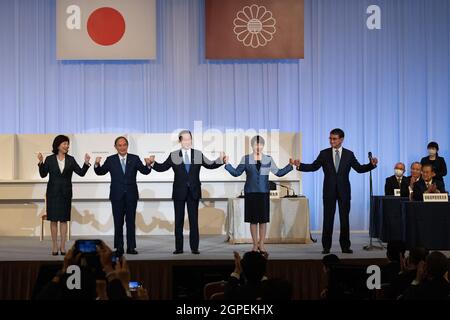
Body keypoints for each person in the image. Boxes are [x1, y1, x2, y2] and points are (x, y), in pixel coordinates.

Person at [296, 129, 378, 254]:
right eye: (330, 138)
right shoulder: (324, 154)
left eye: (334, 139)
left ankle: (345, 246)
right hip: (328, 191)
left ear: (341, 139)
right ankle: (326, 247)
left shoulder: (349, 154)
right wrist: (299, 165)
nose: (331, 141)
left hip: (344, 192)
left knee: (345, 220)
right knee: (327, 219)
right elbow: (313, 167)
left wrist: (371, 165)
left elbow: (359, 169)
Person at [149, 130, 225, 255]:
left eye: (189, 139)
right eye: (184, 139)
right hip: (179, 192)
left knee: (193, 221)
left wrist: (220, 160)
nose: (187, 142)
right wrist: (153, 163)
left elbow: (210, 165)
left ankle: (194, 248)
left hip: (193, 192)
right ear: (180, 141)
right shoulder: (174, 155)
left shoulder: (197, 154)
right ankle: (179, 248)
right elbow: (162, 167)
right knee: (178, 221)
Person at [224, 135, 294, 253]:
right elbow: (236, 173)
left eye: (260, 144)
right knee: (253, 220)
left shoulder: (268, 159)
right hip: (251, 192)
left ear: (263, 145)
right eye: (256, 144)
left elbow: (279, 173)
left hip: (263, 192)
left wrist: (290, 166)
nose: (258, 146)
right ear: (252, 146)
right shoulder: (246, 159)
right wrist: (227, 164)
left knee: (262, 220)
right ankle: (254, 244)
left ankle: (261, 244)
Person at [94, 136, 153, 256]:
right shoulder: (111, 160)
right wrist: (96, 164)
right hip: (116, 196)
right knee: (118, 222)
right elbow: (100, 172)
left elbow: (145, 171)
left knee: (131, 222)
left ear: (127, 146)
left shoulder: (134, 158)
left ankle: (131, 247)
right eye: (119, 145)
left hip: (131, 195)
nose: (122, 147)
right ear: (115, 147)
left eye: (124, 145)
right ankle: (119, 247)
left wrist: (148, 165)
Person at [38, 135, 91, 255]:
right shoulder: (50, 159)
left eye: (68, 144)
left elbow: (81, 173)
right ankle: (54, 246)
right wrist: (40, 162)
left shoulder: (71, 159)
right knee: (53, 220)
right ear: (58, 145)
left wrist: (86, 163)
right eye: (65, 144)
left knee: (63, 220)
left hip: (66, 194)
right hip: (52, 194)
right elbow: (43, 174)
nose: (67, 146)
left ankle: (62, 246)